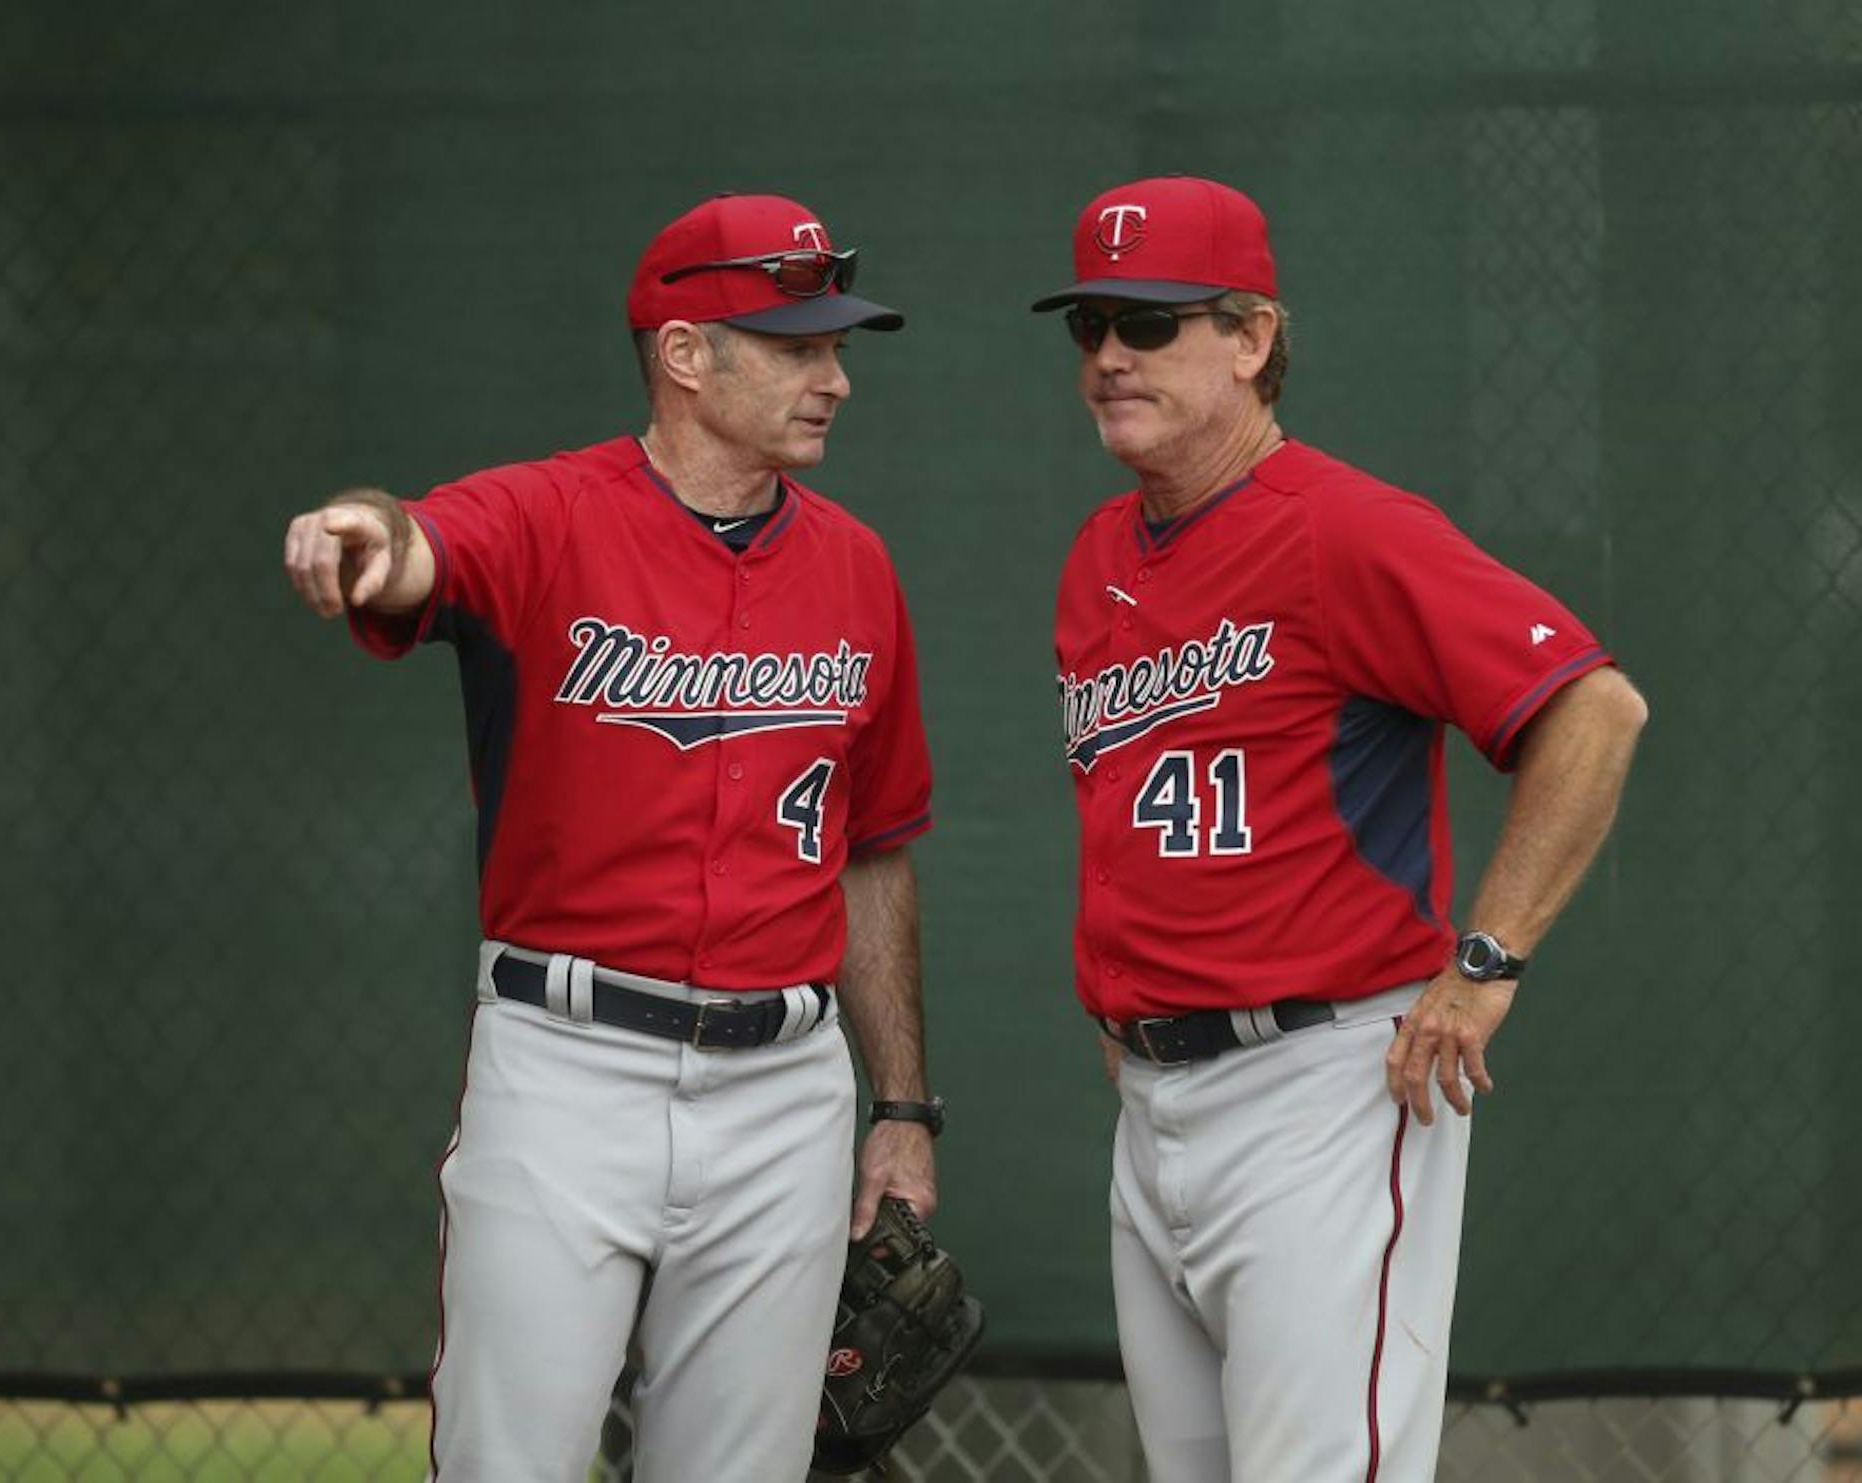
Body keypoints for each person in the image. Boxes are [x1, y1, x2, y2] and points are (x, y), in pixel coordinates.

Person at [281, 193, 942, 1483]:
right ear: (687, 355)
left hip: (786, 1094)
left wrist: (903, 1106)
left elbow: (871, 851)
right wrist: (364, 531)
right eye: (798, 346)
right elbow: (419, 547)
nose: (837, 379)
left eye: (836, 346)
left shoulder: (860, 568)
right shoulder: (542, 517)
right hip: (566, 1072)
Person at [1031, 176, 1648, 1482]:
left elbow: (1594, 711)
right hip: (1156, 1103)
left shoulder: (1344, 530)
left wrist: (1486, 966)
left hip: (1322, 1089)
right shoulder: (1099, 553)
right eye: (1091, 324)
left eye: (1151, 324)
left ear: (1252, 339)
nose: (1109, 357)